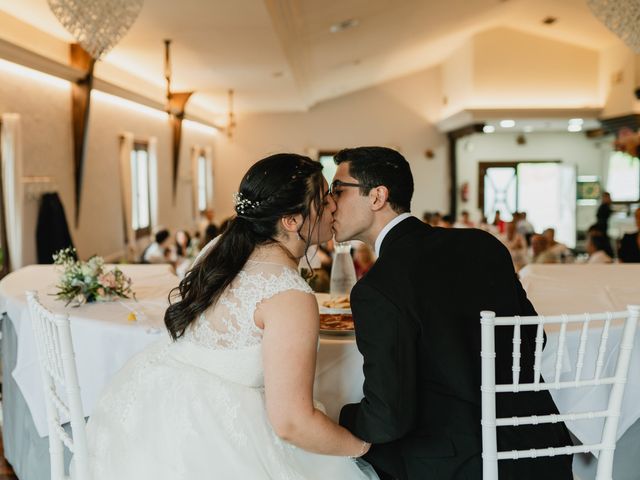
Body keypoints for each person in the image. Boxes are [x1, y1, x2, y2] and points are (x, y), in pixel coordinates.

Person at [85, 154, 377, 479]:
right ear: (291, 221)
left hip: (156, 409)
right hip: (220, 438)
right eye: (323, 201)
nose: (334, 206)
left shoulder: (219, 248)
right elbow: (292, 422)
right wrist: (361, 447)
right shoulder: (289, 297)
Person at [330, 146, 571, 480]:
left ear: (377, 197)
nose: (329, 203)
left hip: (457, 467)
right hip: (540, 447)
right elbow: (532, 340)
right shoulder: (482, 245)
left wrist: (337, 415)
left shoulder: (377, 288)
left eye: (338, 191)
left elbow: (388, 419)